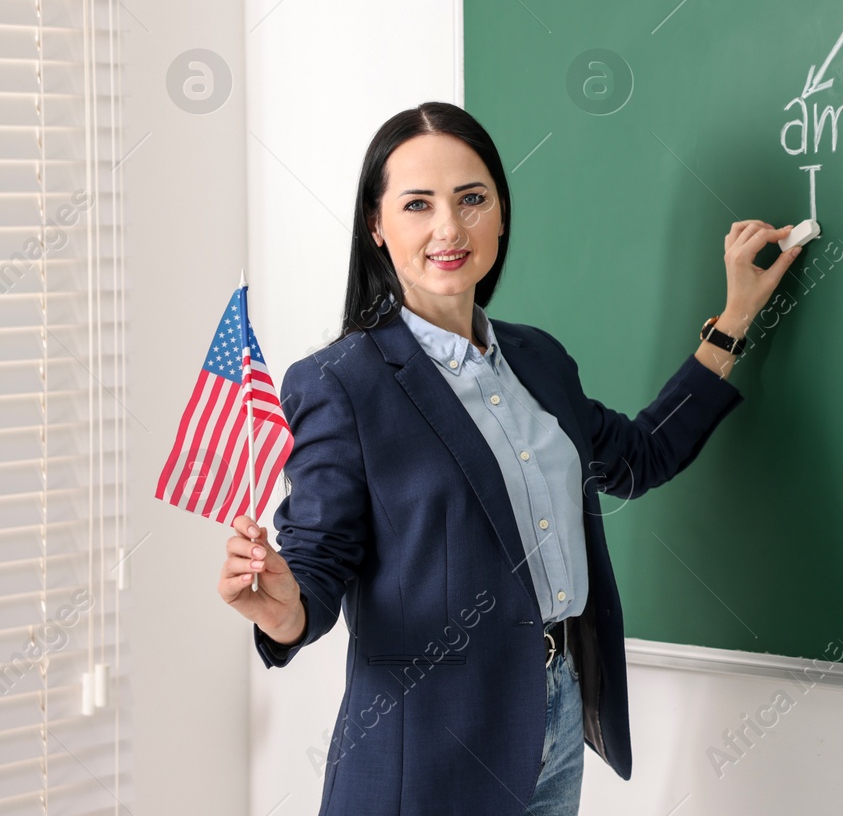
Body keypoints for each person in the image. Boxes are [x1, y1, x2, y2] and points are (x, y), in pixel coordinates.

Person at [217, 102, 801, 815]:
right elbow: (318, 557)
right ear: (376, 226)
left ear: (500, 213)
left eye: (472, 198)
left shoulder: (538, 359)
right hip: (428, 758)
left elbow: (639, 456)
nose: (448, 228)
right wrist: (284, 611)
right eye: (417, 204)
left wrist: (735, 316)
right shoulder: (340, 383)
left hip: (551, 719)